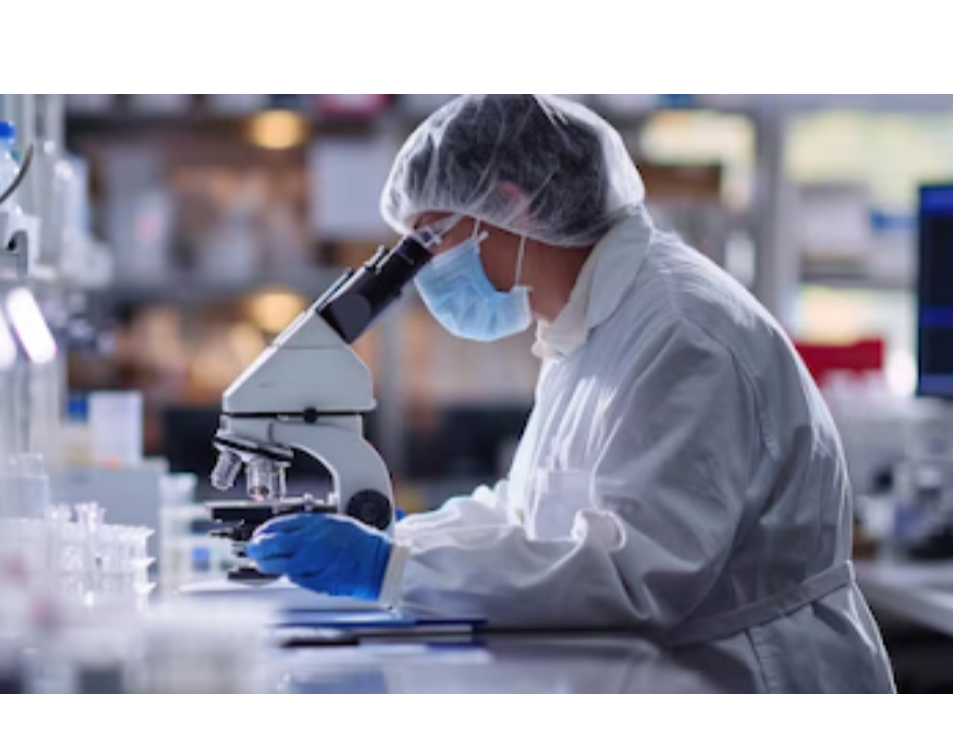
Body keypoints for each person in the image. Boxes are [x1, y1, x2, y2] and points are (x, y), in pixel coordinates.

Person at [248, 94, 896, 694]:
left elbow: (632, 573)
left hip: (748, 674)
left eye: (429, 241)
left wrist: (389, 569)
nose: (426, 273)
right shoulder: (587, 325)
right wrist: (405, 540)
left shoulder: (681, 333)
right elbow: (530, 515)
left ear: (511, 204)